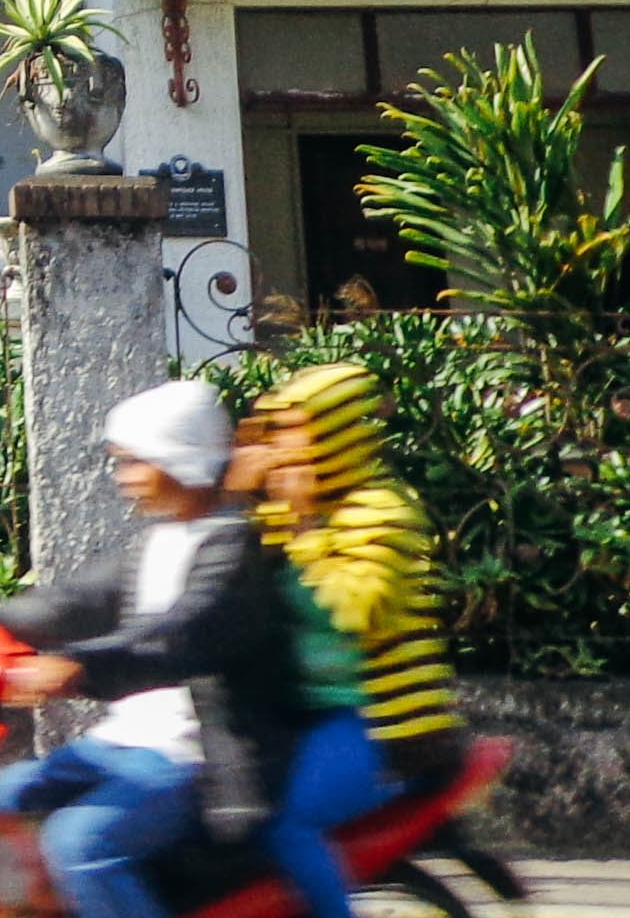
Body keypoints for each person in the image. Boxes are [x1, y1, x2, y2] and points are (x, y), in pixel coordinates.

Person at [0, 378, 333, 918]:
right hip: (125, 743)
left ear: (179, 460)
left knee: (81, 845)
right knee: (2, 797)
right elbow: (75, 599)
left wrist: (78, 665)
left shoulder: (234, 548)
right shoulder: (160, 538)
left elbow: (180, 634)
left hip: (195, 759)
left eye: (135, 462)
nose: (124, 478)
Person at [235, 360, 466, 918]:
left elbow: (357, 610)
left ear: (335, 435)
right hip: (306, 715)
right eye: (281, 432)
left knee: (284, 823)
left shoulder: (382, 510)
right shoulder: (287, 512)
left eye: (298, 433)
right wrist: (236, 497)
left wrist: (304, 528)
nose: (285, 448)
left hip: (385, 726)